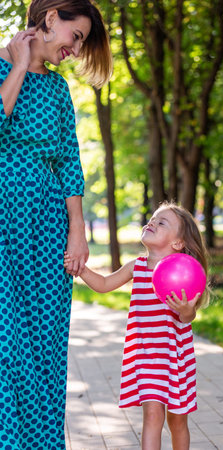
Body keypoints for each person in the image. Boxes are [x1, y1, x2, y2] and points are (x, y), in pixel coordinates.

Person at [0, 1, 112, 448]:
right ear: (50, 19)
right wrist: (20, 65)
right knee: (8, 344)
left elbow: (70, 162)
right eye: (77, 36)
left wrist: (78, 229)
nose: (75, 48)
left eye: (82, 41)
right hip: (4, 224)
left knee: (46, 342)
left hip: (47, 226)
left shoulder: (60, 91)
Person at [64, 202, 210, 450]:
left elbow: (187, 317)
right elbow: (103, 283)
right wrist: (81, 269)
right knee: (152, 415)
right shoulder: (137, 267)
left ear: (177, 243)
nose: (151, 222)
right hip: (147, 358)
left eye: (161, 222)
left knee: (177, 421)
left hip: (175, 359)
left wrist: (187, 311)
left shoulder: (183, 272)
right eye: (152, 219)